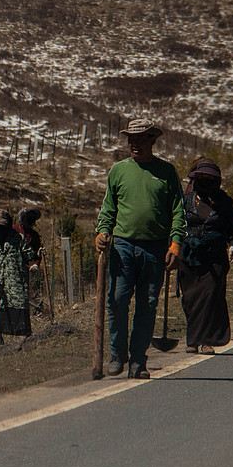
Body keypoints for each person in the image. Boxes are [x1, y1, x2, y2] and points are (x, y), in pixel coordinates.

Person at [94, 119, 186, 379]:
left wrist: (176, 243)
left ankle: (138, 360)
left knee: (147, 304)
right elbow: (109, 207)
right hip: (122, 245)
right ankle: (117, 353)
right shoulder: (118, 171)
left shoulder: (166, 172)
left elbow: (177, 211)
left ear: (152, 141)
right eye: (131, 140)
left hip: (155, 247)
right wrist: (103, 232)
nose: (135, 144)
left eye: (141, 139)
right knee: (117, 300)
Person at [177, 160, 233, 354]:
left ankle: (206, 340)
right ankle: (192, 339)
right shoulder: (185, 201)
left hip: (215, 255)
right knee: (190, 298)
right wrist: (172, 248)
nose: (205, 183)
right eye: (202, 179)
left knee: (210, 294)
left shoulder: (225, 202)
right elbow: (175, 226)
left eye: (210, 180)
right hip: (189, 254)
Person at [0, 209, 36, 336]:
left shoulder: (18, 238)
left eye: (1, 226)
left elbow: (29, 254)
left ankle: (19, 331)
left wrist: (35, 261)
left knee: (16, 301)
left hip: (15, 279)